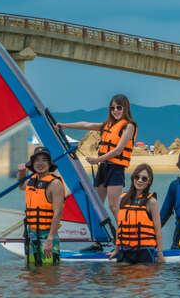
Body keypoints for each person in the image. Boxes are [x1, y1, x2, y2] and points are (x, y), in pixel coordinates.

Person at [56, 94, 137, 252]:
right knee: (95, 205)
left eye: (119, 108)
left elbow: (119, 149)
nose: (115, 111)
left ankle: (124, 242)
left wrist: (98, 159)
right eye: (112, 108)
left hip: (116, 169)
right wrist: (64, 125)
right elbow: (86, 124)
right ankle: (98, 242)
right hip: (103, 169)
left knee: (114, 206)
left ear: (125, 108)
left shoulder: (129, 126)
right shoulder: (106, 125)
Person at [18, 146, 66, 267]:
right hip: (31, 236)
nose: (40, 163)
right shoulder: (31, 181)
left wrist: (50, 239)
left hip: (47, 236)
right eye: (37, 160)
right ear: (32, 163)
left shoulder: (55, 184)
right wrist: (22, 173)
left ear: (49, 164)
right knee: (31, 273)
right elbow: (21, 185)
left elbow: (58, 213)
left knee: (49, 273)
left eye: (44, 160)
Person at [108, 164, 165, 263]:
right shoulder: (122, 198)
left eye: (144, 178)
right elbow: (120, 227)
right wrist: (116, 249)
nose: (139, 180)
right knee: (119, 277)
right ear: (133, 178)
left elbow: (158, 230)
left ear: (149, 181)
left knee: (139, 276)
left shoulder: (151, 202)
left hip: (144, 251)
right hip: (124, 250)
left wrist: (160, 253)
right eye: (137, 177)